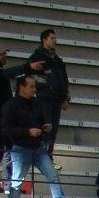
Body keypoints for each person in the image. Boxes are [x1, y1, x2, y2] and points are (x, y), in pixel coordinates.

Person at [1, 74, 79, 198]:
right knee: (17, 181)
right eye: (31, 86)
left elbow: (40, 121)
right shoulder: (11, 105)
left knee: (52, 175)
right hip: (20, 148)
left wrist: (44, 128)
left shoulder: (36, 103)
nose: (34, 90)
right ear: (21, 87)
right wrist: (27, 132)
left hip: (37, 147)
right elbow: (6, 129)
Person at [0, 46, 31, 193]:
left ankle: (11, 183)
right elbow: (2, 75)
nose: (4, 56)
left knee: (11, 148)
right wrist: (27, 67)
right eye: (1, 54)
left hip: (7, 113)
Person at [27, 28, 69, 156]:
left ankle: (48, 154)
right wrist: (46, 83)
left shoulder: (57, 60)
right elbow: (31, 75)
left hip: (56, 98)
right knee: (47, 127)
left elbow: (64, 79)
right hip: (44, 97)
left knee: (53, 129)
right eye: (52, 38)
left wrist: (66, 97)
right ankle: (42, 154)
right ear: (44, 40)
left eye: (55, 38)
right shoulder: (37, 57)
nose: (55, 41)